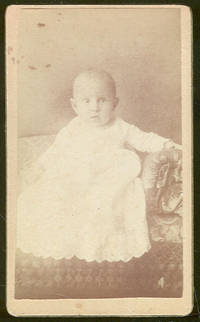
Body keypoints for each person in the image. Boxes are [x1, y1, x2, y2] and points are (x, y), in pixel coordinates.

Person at [17, 69, 181, 263]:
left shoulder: (120, 126)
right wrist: (39, 168)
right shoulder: (73, 128)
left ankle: (100, 245)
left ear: (115, 103)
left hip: (110, 178)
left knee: (106, 201)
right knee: (51, 195)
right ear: (75, 105)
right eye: (86, 101)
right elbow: (55, 152)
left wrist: (166, 144)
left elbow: (143, 139)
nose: (94, 107)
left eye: (102, 100)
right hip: (78, 177)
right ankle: (69, 244)